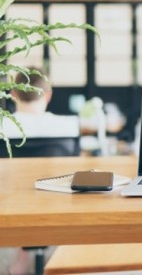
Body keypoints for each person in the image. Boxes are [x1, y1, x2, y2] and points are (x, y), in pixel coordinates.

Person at [6, 67, 79, 275]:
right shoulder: (68, 125)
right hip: (56, 208)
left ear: (13, 93)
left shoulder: (3, 127)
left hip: (11, 208)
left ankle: (23, 255)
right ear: (48, 95)